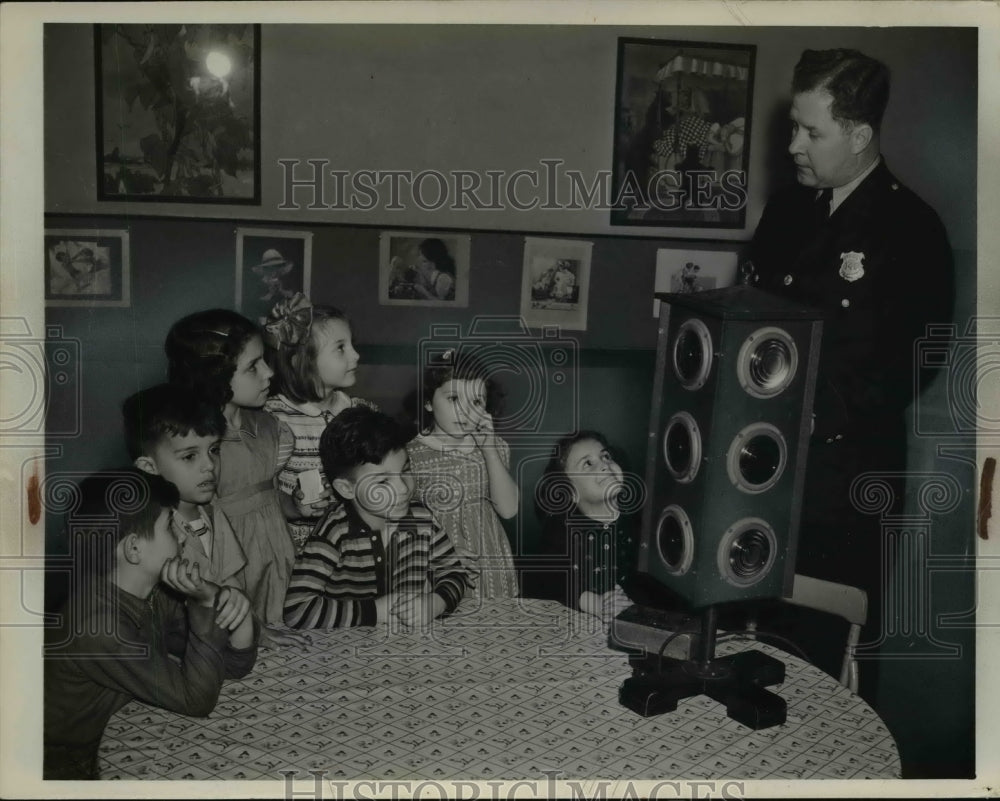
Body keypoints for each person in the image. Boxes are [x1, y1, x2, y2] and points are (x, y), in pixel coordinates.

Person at [746, 49, 954, 698]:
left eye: (812, 132)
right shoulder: (785, 213)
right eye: (794, 127)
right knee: (748, 647)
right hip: (761, 472)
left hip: (846, 487)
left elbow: (909, 366)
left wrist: (812, 412)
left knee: (825, 670)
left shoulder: (912, 229)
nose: (793, 146)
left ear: (861, 137)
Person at [43, 470, 258, 780]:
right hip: (62, 766)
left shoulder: (153, 595)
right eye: (171, 526)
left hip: (114, 734)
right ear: (133, 549)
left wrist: (221, 599)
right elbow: (196, 700)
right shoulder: (100, 627)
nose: (184, 535)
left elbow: (231, 665)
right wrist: (204, 603)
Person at [164, 309, 306, 642]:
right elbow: (200, 541)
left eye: (265, 361)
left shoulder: (271, 428)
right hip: (230, 576)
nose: (269, 373)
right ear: (215, 376)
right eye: (253, 366)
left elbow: (264, 496)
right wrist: (252, 625)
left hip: (277, 567)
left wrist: (296, 507)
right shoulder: (198, 448)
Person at [283, 406, 473, 629]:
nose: (402, 488)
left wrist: (436, 602)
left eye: (405, 470)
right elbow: (297, 610)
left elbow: (454, 572)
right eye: (383, 482)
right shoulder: (334, 531)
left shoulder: (420, 517)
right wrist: (375, 611)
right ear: (346, 488)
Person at [262, 293, 377, 549]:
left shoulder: (362, 413)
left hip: (353, 545)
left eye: (352, 344)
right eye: (341, 348)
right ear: (302, 362)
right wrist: (294, 506)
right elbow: (263, 495)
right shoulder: (273, 419)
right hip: (297, 547)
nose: (356, 355)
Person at [406, 349, 520, 599]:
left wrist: (489, 450)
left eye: (476, 402)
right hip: (434, 566)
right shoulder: (410, 454)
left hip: (490, 564)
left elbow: (509, 509)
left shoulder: (496, 446)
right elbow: (401, 522)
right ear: (427, 401)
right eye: (454, 399)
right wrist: (438, 552)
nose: (465, 411)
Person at [527, 431, 653, 620]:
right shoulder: (562, 531)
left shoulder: (643, 520)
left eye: (606, 456)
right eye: (588, 463)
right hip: (582, 621)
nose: (604, 464)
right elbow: (552, 579)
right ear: (571, 493)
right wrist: (594, 603)